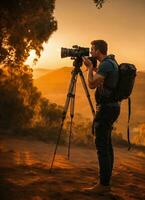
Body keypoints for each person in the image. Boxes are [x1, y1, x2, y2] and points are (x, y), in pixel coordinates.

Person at [83, 40, 120, 194]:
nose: (90, 52)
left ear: (98, 51)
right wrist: (95, 68)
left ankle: (103, 185)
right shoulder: (111, 62)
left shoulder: (106, 64)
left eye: (92, 50)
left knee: (101, 147)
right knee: (107, 145)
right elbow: (103, 81)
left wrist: (90, 68)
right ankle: (106, 181)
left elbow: (91, 84)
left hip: (106, 109)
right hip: (112, 107)